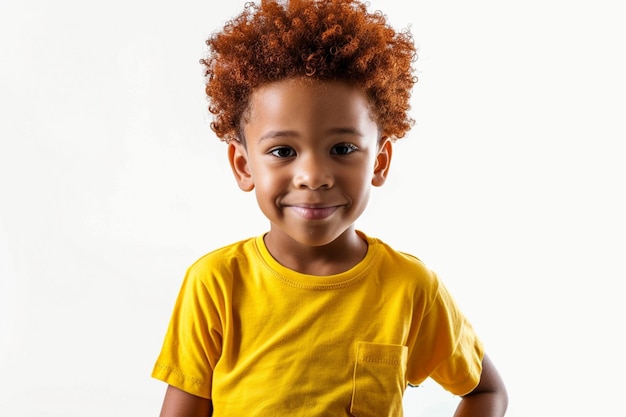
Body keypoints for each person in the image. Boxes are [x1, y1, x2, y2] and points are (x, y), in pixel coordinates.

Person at [152, 0, 508, 416]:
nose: (314, 175)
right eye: (283, 151)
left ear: (378, 161)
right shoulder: (215, 284)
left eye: (343, 148)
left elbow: (485, 393)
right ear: (244, 165)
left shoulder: (411, 288)